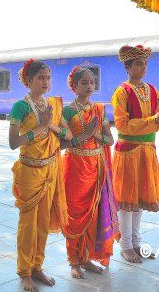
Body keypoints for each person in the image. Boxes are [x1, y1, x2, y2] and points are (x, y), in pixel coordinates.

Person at [8, 59, 71, 292]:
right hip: (29, 171)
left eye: (48, 78)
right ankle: (24, 271)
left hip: (50, 169)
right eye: (40, 78)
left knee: (43, 222)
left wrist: (50, 126)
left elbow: (69, 134)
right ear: (28, 81)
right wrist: (41, 127)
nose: (45, 82)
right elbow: (14, 143)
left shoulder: (52, 105)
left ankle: (37, 266)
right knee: (28, 224)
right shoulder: (20, 107)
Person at [62, 67, 119, 279]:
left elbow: (110, 140)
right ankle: (73, 261)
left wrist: (95, 134)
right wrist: (85, 135)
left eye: (92, 82)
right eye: (84, 83)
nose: (89, 86)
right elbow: (63, 143)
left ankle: (86, 257)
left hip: (96, 166)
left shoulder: (99, 109)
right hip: (75, 167)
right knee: (74, 215)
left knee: (93, 213)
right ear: (74, 86)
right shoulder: (67, 111)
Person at [111, 45, 159, 263]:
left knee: (140, 199)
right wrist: (153, 120)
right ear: (128, 67)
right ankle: (125, 245)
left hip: (147, 151)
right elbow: (122, 125)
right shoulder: (122, 91)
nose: (143, 68)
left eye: (145, 63)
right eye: (138, 64)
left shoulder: (152, 90)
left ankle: (136, 242)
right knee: (127, 200)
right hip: (129, 151)